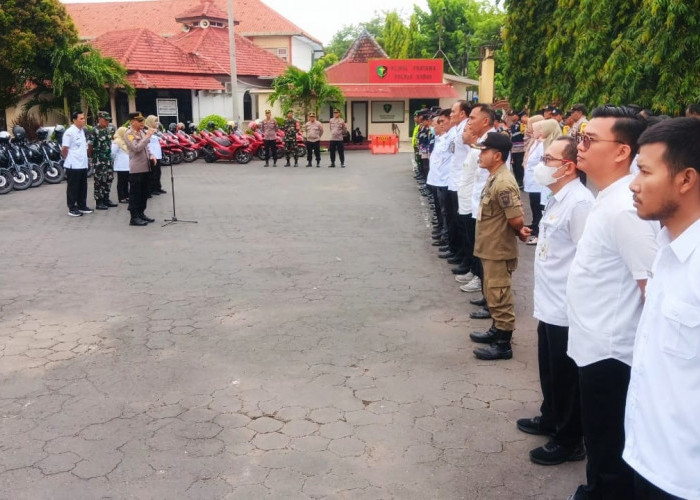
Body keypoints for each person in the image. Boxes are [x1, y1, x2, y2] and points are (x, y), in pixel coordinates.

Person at [565, 105, 659, 500]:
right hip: (593, 341)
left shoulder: (626, 208)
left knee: (611, 444)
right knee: (599, 437)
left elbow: (650, 287)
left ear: (623, 151)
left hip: (612, 351)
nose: (579, 146)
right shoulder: (608, 196)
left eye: (589, 139)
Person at [624, 118, 700, 500]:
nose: (633, 184)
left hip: (685, 478)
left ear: (685, 180)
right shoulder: (668, 247)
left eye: (644, 171)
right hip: (646, 454)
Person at [517, 136, 594, 466]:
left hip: (565, 307)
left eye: (547, 159)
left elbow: (586, 259)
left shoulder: (580, 204)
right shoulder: (558, 196)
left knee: (565, 377)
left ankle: (569, 439)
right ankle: (551, 418)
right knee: (549, 369)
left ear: (568, 167)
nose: (540, 165)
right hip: (548, 303)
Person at [469, 132, 528, 360]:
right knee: (492, 292)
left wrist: (519, 231)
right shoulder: (494, 176)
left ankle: (503, 343)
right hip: (489, 246)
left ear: (497, 155)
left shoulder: (503, 182)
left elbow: (516, 219)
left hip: (498, 248)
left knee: (499, 294)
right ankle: (497, 329)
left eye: (484, 151)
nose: (480, 155)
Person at [458, 103, 497, 296]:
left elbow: (495, 177)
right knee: (478, 248)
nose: (469, 121)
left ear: (485, 120)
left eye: (472, 118)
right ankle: (485, 291)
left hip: (487, 207)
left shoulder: (494, 140)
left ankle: (489, 297)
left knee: (486, 254)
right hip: (476, 203)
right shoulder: (483, 140)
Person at [441, 100, 472, 275]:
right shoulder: (457, 129)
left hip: (462, 183)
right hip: (454, 181)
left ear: (462, 114)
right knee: (455, 220)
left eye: (453, 111)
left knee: (462, 224)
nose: (450, 114)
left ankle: (465, 259)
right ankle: (459, 253)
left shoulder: (466, 131)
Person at [523, 118, 561, 245]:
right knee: (542, 209)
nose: (537, 131)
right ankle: (540, 234)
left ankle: (541, 235)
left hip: (547, 184)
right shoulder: (543, 143)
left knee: (545, 210)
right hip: (542, 182)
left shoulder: (553, 146)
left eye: (540, 128)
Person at [124, 112, 156, 227]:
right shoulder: (129, 134)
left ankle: (141, 213)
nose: (142, 123)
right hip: (136, 168)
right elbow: (136, 148)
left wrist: (151, 155)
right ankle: (134, 217)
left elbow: (146, 147)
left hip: (146, 167)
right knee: (135, 194)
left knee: (144, 193)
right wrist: (147, 136)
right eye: (139, 121)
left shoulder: (142, 132)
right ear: (132, 121)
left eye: (143, 120)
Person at [427, 109, 454, 247]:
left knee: (446, 212)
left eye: (437, 123)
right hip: (438, 179)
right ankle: (443, 231)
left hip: (445, 180)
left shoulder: (450, 137)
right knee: (441, 209)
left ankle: (446, 236)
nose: (434, 126)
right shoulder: (440, 138)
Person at [61, 111, 92, 217]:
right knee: (73, 187)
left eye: (84, 118)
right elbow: (64, 149)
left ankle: (82, 206)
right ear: (74, 120)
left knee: (83, 187)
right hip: (73, 165)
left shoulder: (82, 131)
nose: (83, 120)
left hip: (82, 164)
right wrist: (69, 159)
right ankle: (72, 208)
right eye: (81, 119)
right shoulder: (70, 132)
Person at [92, 111, 117, 210]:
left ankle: (106, 199)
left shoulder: (110, 129)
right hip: (99, 161)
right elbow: (90, 146)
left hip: (108, 159)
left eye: (108, 120)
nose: (107, 122)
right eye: (105, 120)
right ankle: (99, 201)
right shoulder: (94, 130)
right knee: (99, 181)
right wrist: (94, 158)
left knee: (109, 179)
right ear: (99, 119)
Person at [144, 115, 165, 195]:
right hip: (152, 155)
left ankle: (158, 187)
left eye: (157, 121)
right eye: (155, 121)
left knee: (158, 172)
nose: (157, 123)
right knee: (153, 173)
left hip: (158, 154)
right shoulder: (147, 131)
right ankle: (152, 189)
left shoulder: (156, 132)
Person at [112, 127, 130, 203]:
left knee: (126, 181)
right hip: (121, 165)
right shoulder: (116, 142)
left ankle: (126, 195)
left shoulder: (127, 140)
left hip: (128, 165)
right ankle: (121, 197)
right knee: (121, 182)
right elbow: (113, 153)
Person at [507, 110, 525, 189]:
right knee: (515, 167)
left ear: (517, 116)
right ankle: (518, 181)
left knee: (519, 167)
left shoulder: (521, 125)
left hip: (521, 150)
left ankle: (521, 182)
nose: (511, 116)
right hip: (514, 150)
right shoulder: (512, 126)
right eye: (510, 115)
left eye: (513, 115)